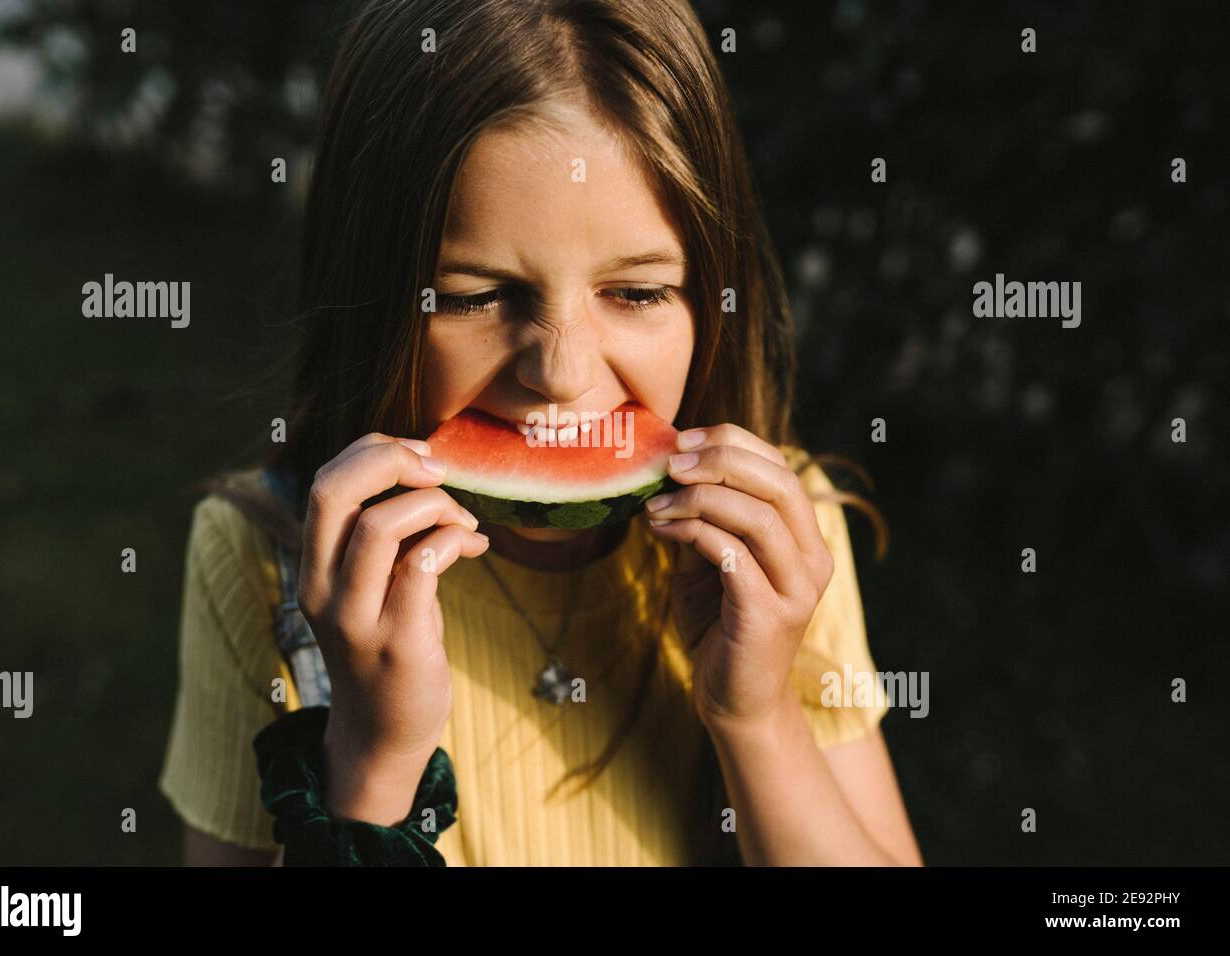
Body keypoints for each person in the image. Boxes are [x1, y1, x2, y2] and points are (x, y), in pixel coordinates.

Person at [158, 0, 923, 866]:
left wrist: (758, 715)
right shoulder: (261, 562)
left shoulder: (780, 535)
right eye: (476, 298)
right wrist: (374, 758)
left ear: (712, 297)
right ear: (370, 291)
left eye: (636, 294)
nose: (560, 373)